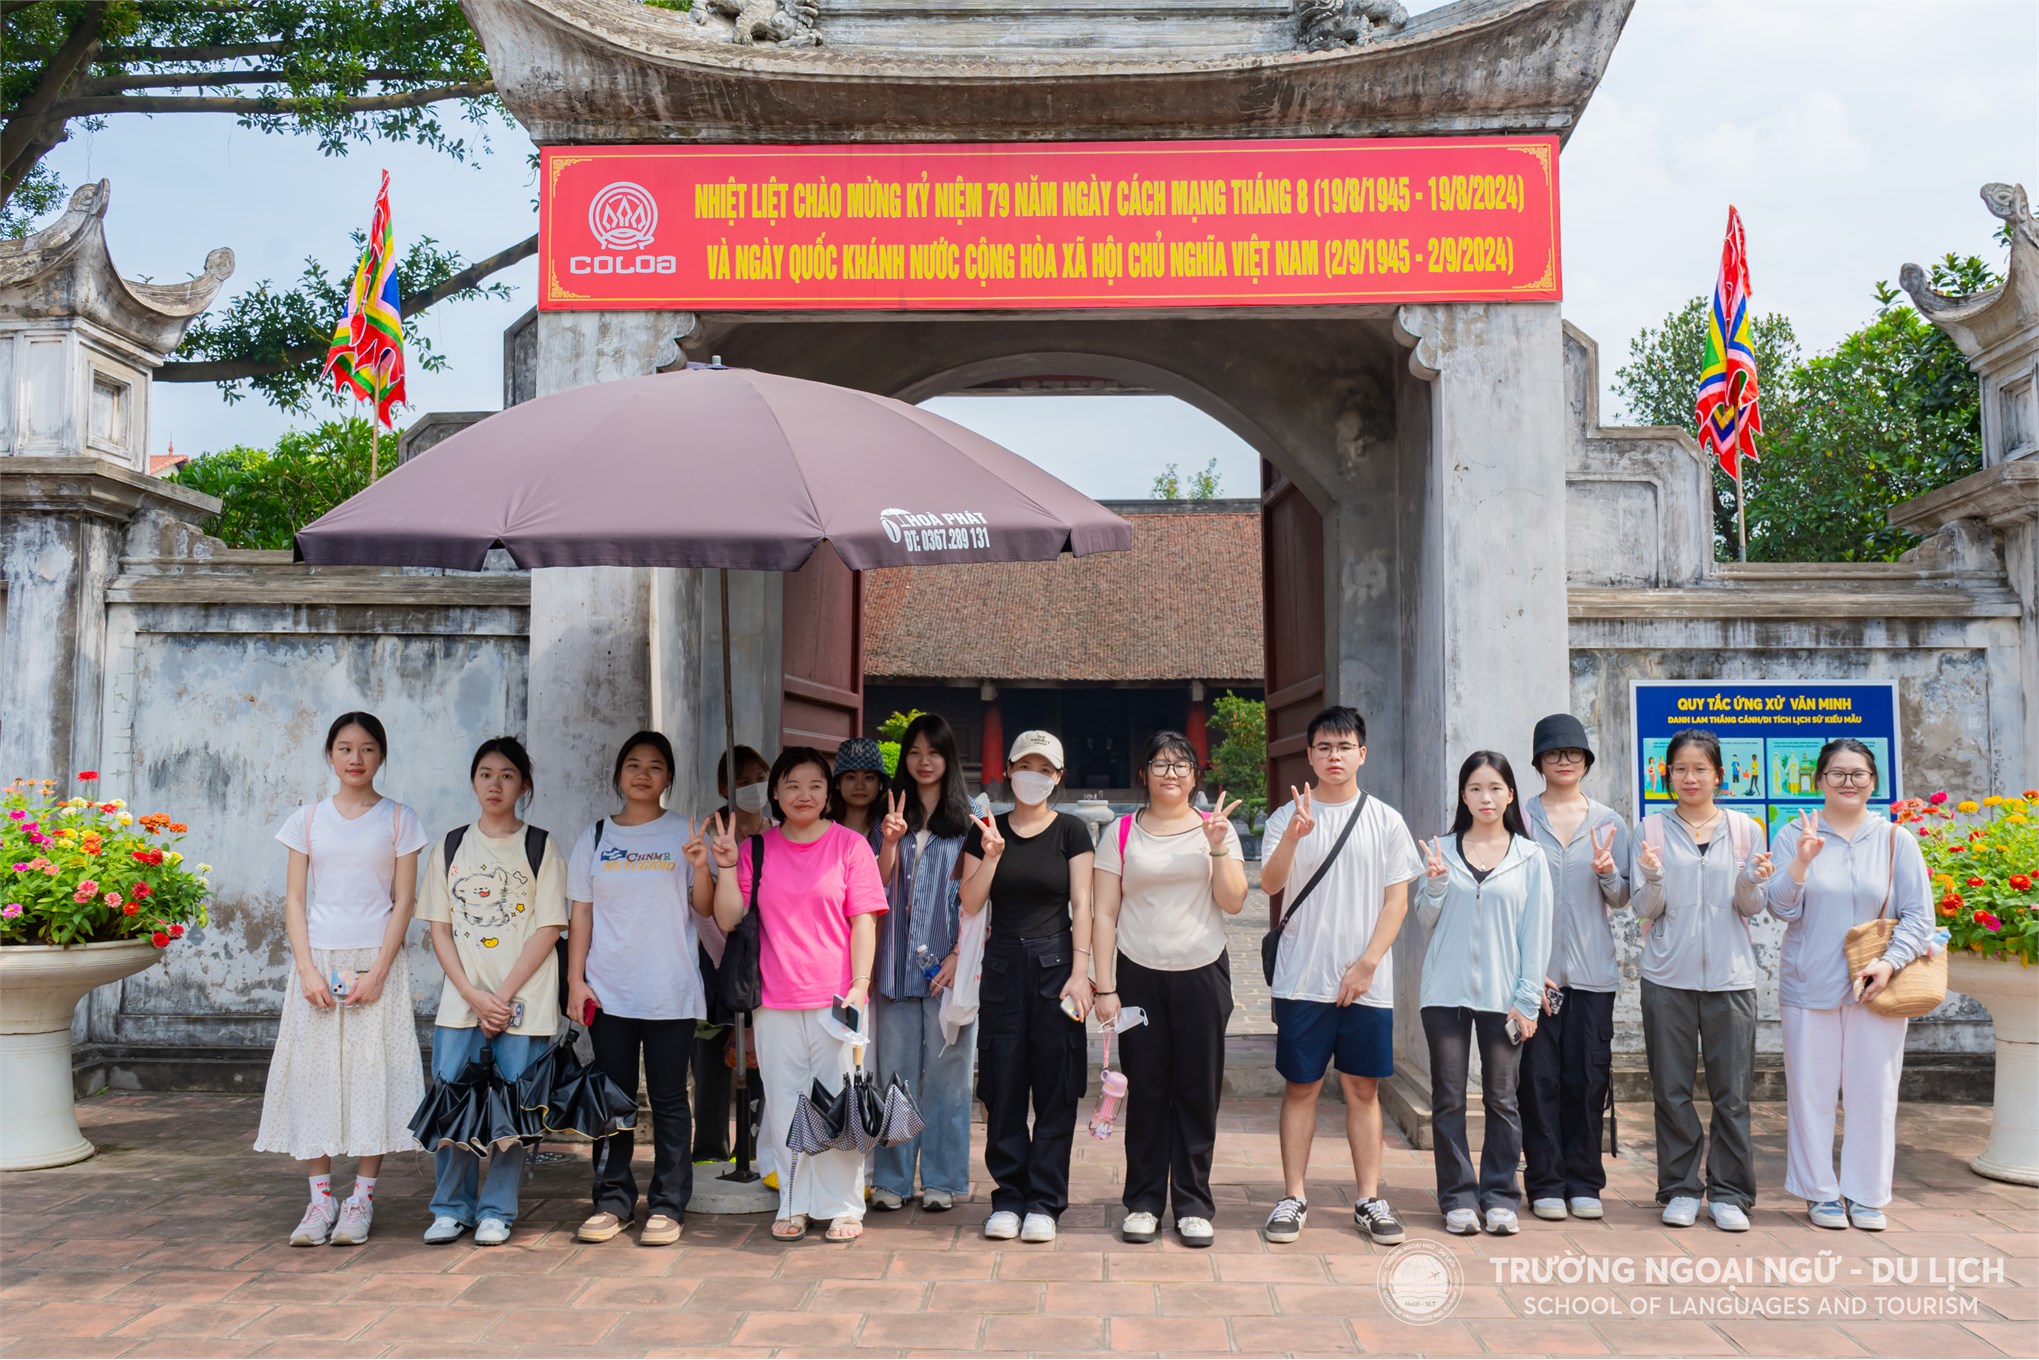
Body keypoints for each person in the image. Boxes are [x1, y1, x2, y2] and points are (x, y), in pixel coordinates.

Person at [256, 711, 428, 1247]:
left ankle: (362, 1200)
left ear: (382, 756)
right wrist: (306, 969)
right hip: (319, 959)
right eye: (346, 748)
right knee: (315, 1076)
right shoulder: (306, 820)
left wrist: (377, 972)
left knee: (371, 1073)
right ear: (330, 755)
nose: (357, 759)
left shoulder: (400, 820)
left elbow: (403, 903)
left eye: (368, 749)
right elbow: (294, 899)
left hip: (377, 963)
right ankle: (320, 1201)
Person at [1258, 705, 1424, 1247]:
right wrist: (1294, 837)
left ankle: (1369, 1198)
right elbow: (1270, 885)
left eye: (1344, 746)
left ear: (1362, 754)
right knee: (1301, 1086)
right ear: (1309, 755)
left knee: (1362, 1088)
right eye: (1324, 747)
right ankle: (1293, 1195)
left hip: (1366, 980)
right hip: (1302, 977)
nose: (1334, 756)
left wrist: (1368, 963)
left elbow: (1397, 900)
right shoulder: (1289, 816)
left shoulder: (1385, 819)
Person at [713, 746, 888, 1243]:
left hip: (839, 1000)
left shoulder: (850, 846)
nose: (803, 795)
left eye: (814, 785)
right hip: (775, 999)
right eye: (791, 785)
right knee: (788, 1103)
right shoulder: (757, 850)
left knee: (841, 1101)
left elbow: (863, 923)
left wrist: (859, 985)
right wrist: (727, 866)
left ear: (827, 792)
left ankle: (844, 1205)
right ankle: (793, 1201)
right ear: (775, 793)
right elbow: (728, 919)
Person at [1766, 738, 1934, 1232]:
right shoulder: (1794, 832)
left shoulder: (1894, 840)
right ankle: (1819, 1193)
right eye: (1836, 773)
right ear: (1819, 780)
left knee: (1874, 1093)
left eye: (1858, 774)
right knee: (1811, 1093)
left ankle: (1865, 1194)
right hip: (1808, 982)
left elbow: (1918, 916)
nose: (1847, 782)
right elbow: (1779, 907)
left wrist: (1891, 963)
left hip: (1878, 988)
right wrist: (1801, 862)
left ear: (1873, 782)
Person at [1092, 731, 1247, 1248]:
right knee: (1149, 1090)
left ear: (1195, 776)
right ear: (1144, 774)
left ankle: (1194, 1204)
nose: (1171, 773)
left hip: (1202, 971)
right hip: (1138, 973)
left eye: (1181, 764)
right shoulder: (1119, 832)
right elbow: (1104, 913)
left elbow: (1234, 901)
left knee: (1197, 1091)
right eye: (1159, 763)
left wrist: (1220, 847)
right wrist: (1106, 987)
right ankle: (1142, 1202)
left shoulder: (1215, 828)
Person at [416, 737, 568, 1246]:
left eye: (506, 775)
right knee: (452, 1102)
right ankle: (450, 1207)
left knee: (512, 1108)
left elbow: (549, 928)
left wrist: (498, 997)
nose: (495, 784)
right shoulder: (451, 845)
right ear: (473, 781)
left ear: (524, 784)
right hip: (462, 1003)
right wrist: (471, 993)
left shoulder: (541, 846)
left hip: (522, 1002)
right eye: (485, 773)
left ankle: (497, 1210)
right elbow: (439, 928)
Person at [565, 731, 710, 1247]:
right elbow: (581, 912)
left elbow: (706, 908)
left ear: (668, 777)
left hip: (668, 989)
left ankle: (669, 1205)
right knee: (612, 1100)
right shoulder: (596, 836)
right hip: (609, 991)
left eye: (655, 766)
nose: (643, 773)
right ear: (619, 774)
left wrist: (700, 865)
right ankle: (613, 1200)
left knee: (670, 1099)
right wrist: (575, 980)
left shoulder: (684, 832)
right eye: (633, 764)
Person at [1632, 727, 1774, 1232]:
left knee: (1731, 1092)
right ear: (1666, 775)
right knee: (1670, 1089)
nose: (1689, 777)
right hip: (1667, 977)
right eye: (1679, 769)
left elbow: (1750, 907)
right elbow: (1645, 910)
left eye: (1700, 769)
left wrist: (1753, 878)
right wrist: (1651, 876)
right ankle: (1680, 1188)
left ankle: (1731, 1193)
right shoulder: (1650, 831)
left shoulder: (1745, 831)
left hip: (1732, 980)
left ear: (1719, 775)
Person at [961, 730, 1095, 1244]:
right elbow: (971, 904)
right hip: (1001, 969)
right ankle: (1009, 1197)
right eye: (1025, 765)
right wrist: (992, 855)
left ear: (1058, 777)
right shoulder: (986, 829)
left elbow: (1082, 904)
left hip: (1057, 964)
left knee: (1057, 1085)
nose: (1033, 775)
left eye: (1045, 768)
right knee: (1003, 1082)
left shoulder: (1072, 832)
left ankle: (1045, 1200)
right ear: (1008, 770)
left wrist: (1081, 972)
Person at [1415, 751, 1554, 1236]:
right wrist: (1433, 886)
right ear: (1463, 795)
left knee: (1502, 1099)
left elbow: (1537, 934)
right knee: (1449, 1098)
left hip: (1505, 997)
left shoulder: (1530, 857)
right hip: (1444, 994)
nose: (1485, 797)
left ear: (1510, 794)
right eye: (1475, 788)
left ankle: (1498, 1196)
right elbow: (1425, 920)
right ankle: (1456, 1196)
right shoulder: (1442, 851)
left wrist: (1527, 996)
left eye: (1495, 788)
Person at [1517, 713, 1630, 1222]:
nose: (1564, 761)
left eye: (1573, 753)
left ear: (1586, 761)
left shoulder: (1609, 821)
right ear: (1539, 760)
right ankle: (1543, 1181)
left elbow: (1625, 896)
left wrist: (1607, 874)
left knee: (1587, 1079)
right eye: (1554, 753)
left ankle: (1584, 1181)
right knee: (1536, 1081)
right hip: (1534, 974)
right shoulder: (1518, 817)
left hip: (1592, 974)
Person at [871, 714, 977, 1212]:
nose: (923, 761)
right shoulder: (889, 815)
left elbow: (981, 899)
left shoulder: (972, 816)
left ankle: (944, 1178)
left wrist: (960, 954)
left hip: (949, 970)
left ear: (947, 757)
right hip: (894, 967)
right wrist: (889, 842)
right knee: (895, 1076)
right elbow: (873, 887)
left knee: (949, 1079)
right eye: (914, 752)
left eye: (933, 752)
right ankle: (892, 1180)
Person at [688, 744, 770, 1167]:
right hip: (715, 959)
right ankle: (709, 1149)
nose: (754, 788)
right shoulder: (711, 832)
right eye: (742, 783)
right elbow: (700, 907)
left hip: (764, 962)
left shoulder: (777, 831)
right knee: (711, 1054)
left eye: (759, 778)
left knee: (759, 1054)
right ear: (724, 787)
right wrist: (724, 960)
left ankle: (752, 1149)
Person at [830, 737, 889, 856]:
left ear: (880, 784)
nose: (860, 785)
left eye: (869, 778)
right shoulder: (822, 828)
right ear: (837, 783)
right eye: (851, 777)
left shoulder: (888, 829)